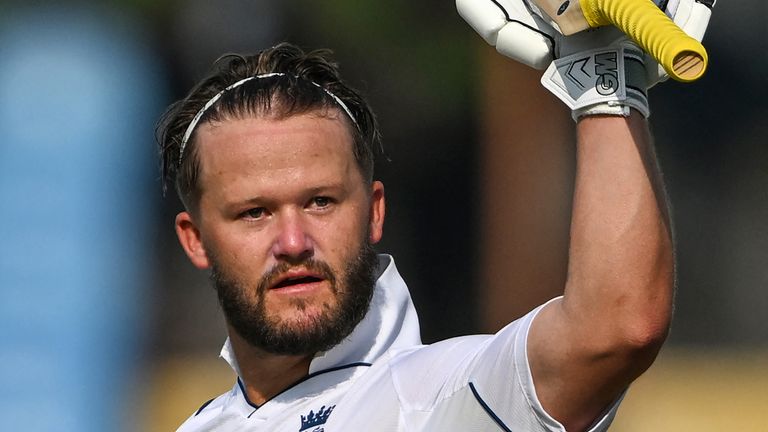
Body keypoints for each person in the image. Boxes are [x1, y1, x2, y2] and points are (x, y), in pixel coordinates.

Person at [157, 0, 712, 429]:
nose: (295, 239)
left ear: (375, 213)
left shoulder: (429, 400)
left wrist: (603, 80)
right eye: (254, 213)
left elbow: (616, 328)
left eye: (321, 201)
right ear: (195, 240)